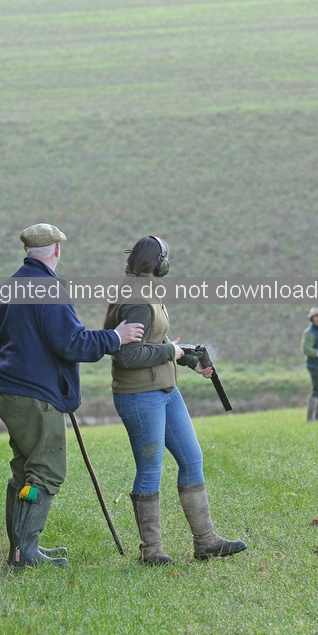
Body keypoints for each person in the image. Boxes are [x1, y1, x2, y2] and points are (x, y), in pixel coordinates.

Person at [0, 223, 144, 568]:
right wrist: (115, 337)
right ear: (57, 250)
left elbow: (4, 339)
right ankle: (25, 553)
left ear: (27, 250)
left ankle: (20, 549)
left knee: (24, 472)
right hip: (35, 395)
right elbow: (71, 343)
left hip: (10, 391)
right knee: (45, 472)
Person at [103, 235, 247, 564]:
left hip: (166, 390)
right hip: (140, 395)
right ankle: (151, 550)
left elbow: (158, 340)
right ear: (159, 263)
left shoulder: (147, 291)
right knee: (150, 468)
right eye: (167, 258)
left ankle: (206, 541)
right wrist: (171, 351)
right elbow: (127, 355)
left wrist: (189, 359)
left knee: (192, 458)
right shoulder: (138, 299)